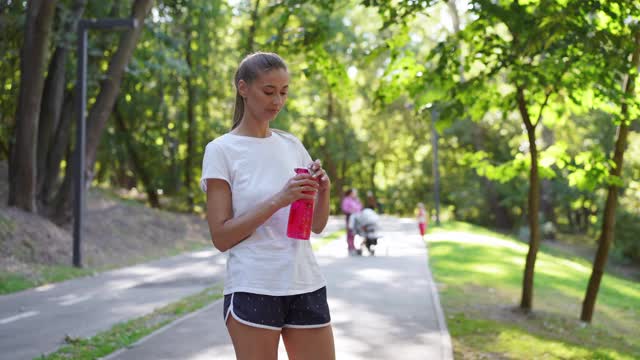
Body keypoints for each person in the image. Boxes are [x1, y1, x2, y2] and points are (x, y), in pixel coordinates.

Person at [200, 52, 335, 360]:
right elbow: (221, 237)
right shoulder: (222, 150)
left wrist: (324, 191)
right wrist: (279, 199)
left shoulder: (292, 145)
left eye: (284, 92)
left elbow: (316, 225)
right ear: (243, 88)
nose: (277, 101)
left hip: (305, 282)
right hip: (254, 286)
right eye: (269, 91)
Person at [340, 188, 362, 256]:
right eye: (354, 193)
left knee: (353, 233)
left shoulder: (356, 200)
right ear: (350, 193)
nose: (355, 194)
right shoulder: (347, 199)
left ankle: (353, 247)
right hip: (349, 217)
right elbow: (344, 208)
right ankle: (350, 247)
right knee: (350, 233)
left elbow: (360, 207)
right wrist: (351, 211)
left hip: (356, 218)